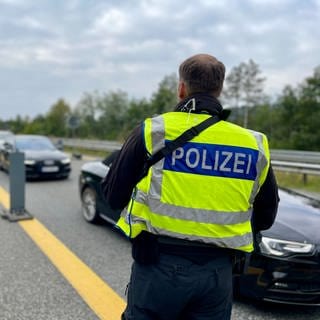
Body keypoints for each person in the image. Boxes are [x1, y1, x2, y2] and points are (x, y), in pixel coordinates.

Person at [102, 53, 279, 320]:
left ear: (182, 88)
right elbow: (266, 216)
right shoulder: (253, 143)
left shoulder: (153, 132)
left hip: (159, 265)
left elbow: (113, 197)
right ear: (219, 89)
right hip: (217, 273)